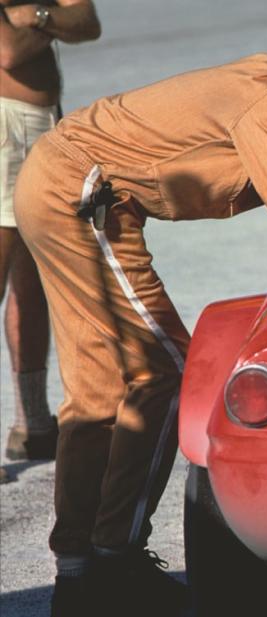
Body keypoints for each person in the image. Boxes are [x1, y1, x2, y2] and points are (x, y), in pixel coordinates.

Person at [13, 22, 267, 617]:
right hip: (78, 190)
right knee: (167, 371)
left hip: (88, 194)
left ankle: (81, 575)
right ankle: (110, 562)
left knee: (104, 388)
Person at [1, 2, 100, 481]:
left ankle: (33, 422)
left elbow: (87, 22)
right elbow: (7, 51)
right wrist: (49, 22)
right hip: (4, 126)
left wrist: (34, 15)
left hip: (42, 122)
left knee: (33, 281)